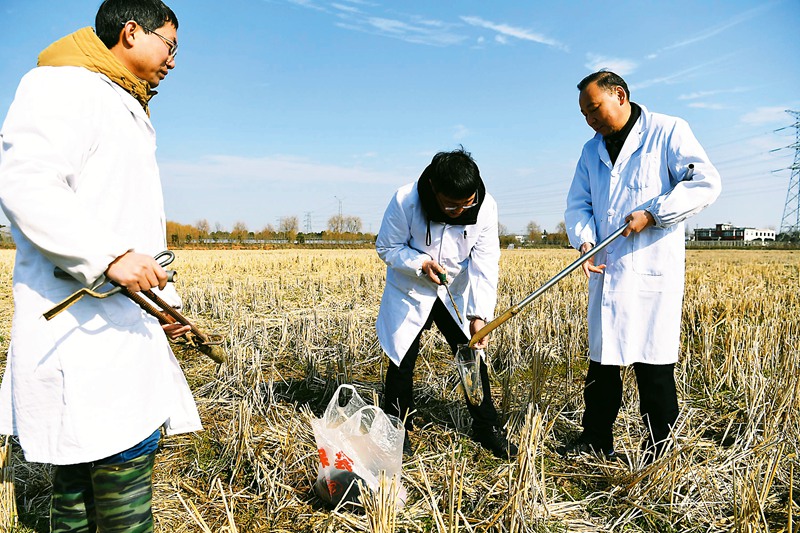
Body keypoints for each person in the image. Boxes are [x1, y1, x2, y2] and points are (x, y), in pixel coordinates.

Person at [0, 1, 201, 530]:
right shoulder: (62, 87)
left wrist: (167, 305)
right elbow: (27, 184)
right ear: (131, 32)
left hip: (119, 324)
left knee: (82, 479)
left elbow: (133, 226)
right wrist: (107, 258)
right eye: (170, 45)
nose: (174, 62)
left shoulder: (121, 100)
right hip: (79, 326)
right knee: (113, 473)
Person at [562, 70, 721, 461]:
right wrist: (584, 240)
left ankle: (659, 451)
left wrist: (653, 213)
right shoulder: (590, 150)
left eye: (594, 108)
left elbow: (706, 182)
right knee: (602, 365)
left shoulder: (667, 131)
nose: (590, 120)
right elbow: (578, 203)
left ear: (619, 95)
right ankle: (596, 439)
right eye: (584, 114)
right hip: (605, 267)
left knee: (654, 368)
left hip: (651, 269)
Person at [375, 147, 516, 460]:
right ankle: (395, 428)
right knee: (402, 360)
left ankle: (486, 427)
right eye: (452, 206)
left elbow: (485, 261)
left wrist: (479, 314)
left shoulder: (486, 206)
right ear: (435, 191)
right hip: (411, 289)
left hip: (454, 291)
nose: (460, 210)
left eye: (466, 204)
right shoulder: (405, 200)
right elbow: (387, 247)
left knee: (470, 356)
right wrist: (420, 263)